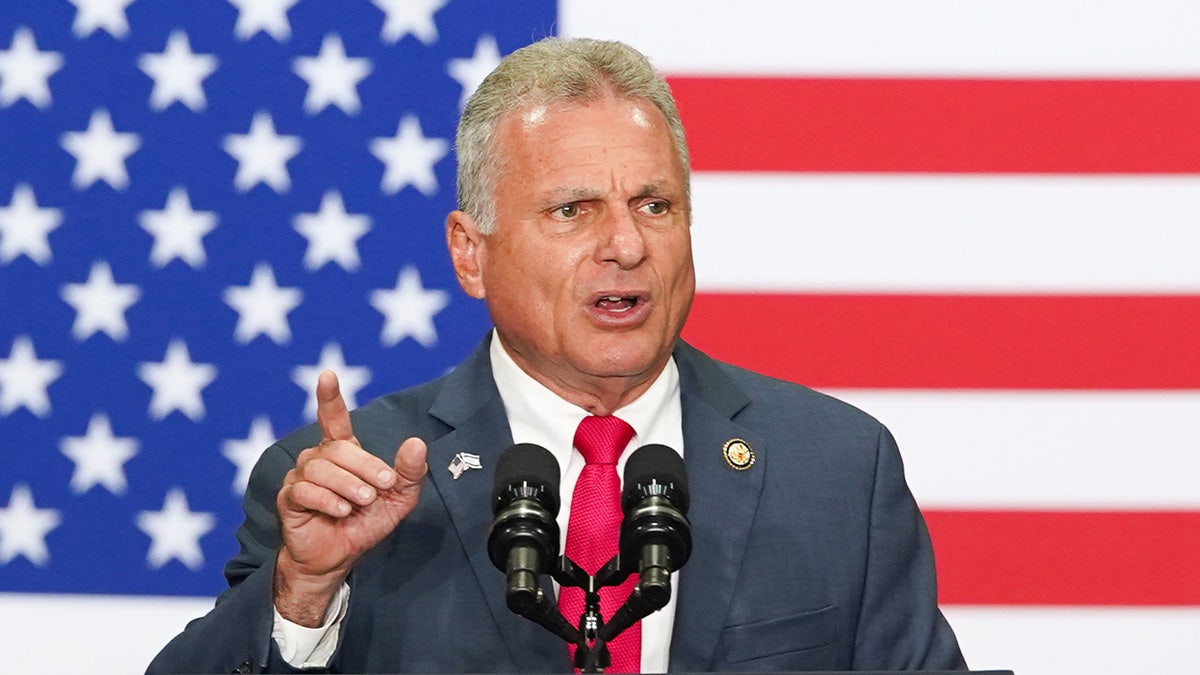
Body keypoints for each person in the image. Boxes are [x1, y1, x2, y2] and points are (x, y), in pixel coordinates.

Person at [147, 37, 966, 674]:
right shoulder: (349, 480)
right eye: (572, 209)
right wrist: (304, 594)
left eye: (655, 204)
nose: (625, 244)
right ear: (471, 253)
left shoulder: (837, 468)